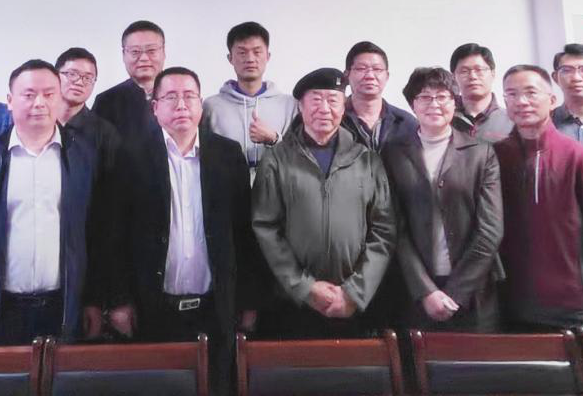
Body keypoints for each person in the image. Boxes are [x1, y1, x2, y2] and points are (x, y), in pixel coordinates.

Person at [108, 67, 260, 394]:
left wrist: (249, 300)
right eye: (171, 97)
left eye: (189, 96)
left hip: (215, 308)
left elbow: (244, 233)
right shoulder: (131, 155)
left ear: (200, 105)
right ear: (155, 107)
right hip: (153, 308)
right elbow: (115, 234)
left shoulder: (227, 154)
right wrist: (119, 300)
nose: (181, 105)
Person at [0, 60, 101, 346]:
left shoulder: (83, 157)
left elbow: (94, 233)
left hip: (62, 307)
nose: (39, 103)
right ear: (9, 101)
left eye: (49, 94)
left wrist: (93, 300)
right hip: (0, 308)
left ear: (59, 98)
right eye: (29, 94)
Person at [252, 68, 395, 338]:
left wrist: (355, 292)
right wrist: (305, 287)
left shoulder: (366, 160)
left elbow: (383, 230)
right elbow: (266, 228)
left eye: (333, 100)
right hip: (292, 303)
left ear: (344, 107)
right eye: (316, 100)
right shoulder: (277, 160)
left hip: (353, 304)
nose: (324, 108)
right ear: (301, 106)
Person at [494, 65, 583, 331]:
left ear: (552, 100)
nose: (521, 101)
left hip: (576, 309)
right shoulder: (494, 158)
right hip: (510, 308)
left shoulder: (582, 158)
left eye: (530, 92)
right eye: (511, 94)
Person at [381, 67, 503, 332]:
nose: (434, 104)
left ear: (454, 102)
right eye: (425, 97)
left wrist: (456, 292)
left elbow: (490, 230)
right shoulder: (393, 153)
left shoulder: (481, 153)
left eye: (442, 96)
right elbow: (393, 227)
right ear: (413, 104)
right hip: (414, 291)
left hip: (474, 290)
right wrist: (426, 291)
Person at [55, 47, 129, 322]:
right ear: (55, 75)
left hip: (84, 257)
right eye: (72, 74)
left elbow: (108, 217)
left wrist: (96, 296)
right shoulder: (37, 125)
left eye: (88, 78)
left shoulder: (105, 134)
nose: (79, 82)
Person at [202, 22, 298, 173]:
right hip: (227, 184)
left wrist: (273, 138)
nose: (250, 59)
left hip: (276, 184)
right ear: (230, 58)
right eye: (242, 52)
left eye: (257, 52)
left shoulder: (290, 105)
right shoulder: (211, 106)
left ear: (268, 56)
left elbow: (301, 155)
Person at [93, 20, 165, 139]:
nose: (144, 58)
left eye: (151, 51)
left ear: (163, 52)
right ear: (123, 55)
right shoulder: (106, 101)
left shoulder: (184, 95)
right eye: (135, 51)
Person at [341, 41, 418, 151]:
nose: (370, 76)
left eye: (377, 69)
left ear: (387, 76)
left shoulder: (406, 123)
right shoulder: (335, 120)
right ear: (346, 75)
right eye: (361, 69)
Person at [450, 43, 513, 143]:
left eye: (479, 70)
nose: (473, 76)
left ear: (493, 74)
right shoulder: (444, 121)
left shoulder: (512, 122)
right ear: (453, 77)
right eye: (464, 71)